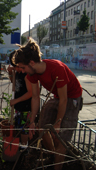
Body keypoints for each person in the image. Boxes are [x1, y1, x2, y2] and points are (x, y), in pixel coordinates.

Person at [13, 38, 83, 170]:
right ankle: (54, 154)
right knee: (42, 127)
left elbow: (64, 100)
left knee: (61, 138)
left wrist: (58, 122)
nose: (21, 71)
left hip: (72, 97)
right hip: (58, 97)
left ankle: (58, 160)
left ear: (32, 63)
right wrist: (32, 122)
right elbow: (35, 97)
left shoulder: (57, 68)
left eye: (23, 67)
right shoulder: (32, 74)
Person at [7, 51, 32, 133]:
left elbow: (30, 92)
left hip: (26, 108)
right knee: (18, 128)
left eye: (18, 66)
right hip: (18, 107)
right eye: (15, 67)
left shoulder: (26, 75)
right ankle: (19, 143)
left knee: (24, 130)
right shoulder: (18, 72)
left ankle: (24, 145)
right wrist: (10, 73)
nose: (17, 69)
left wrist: (16, 100)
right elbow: (14, 83)